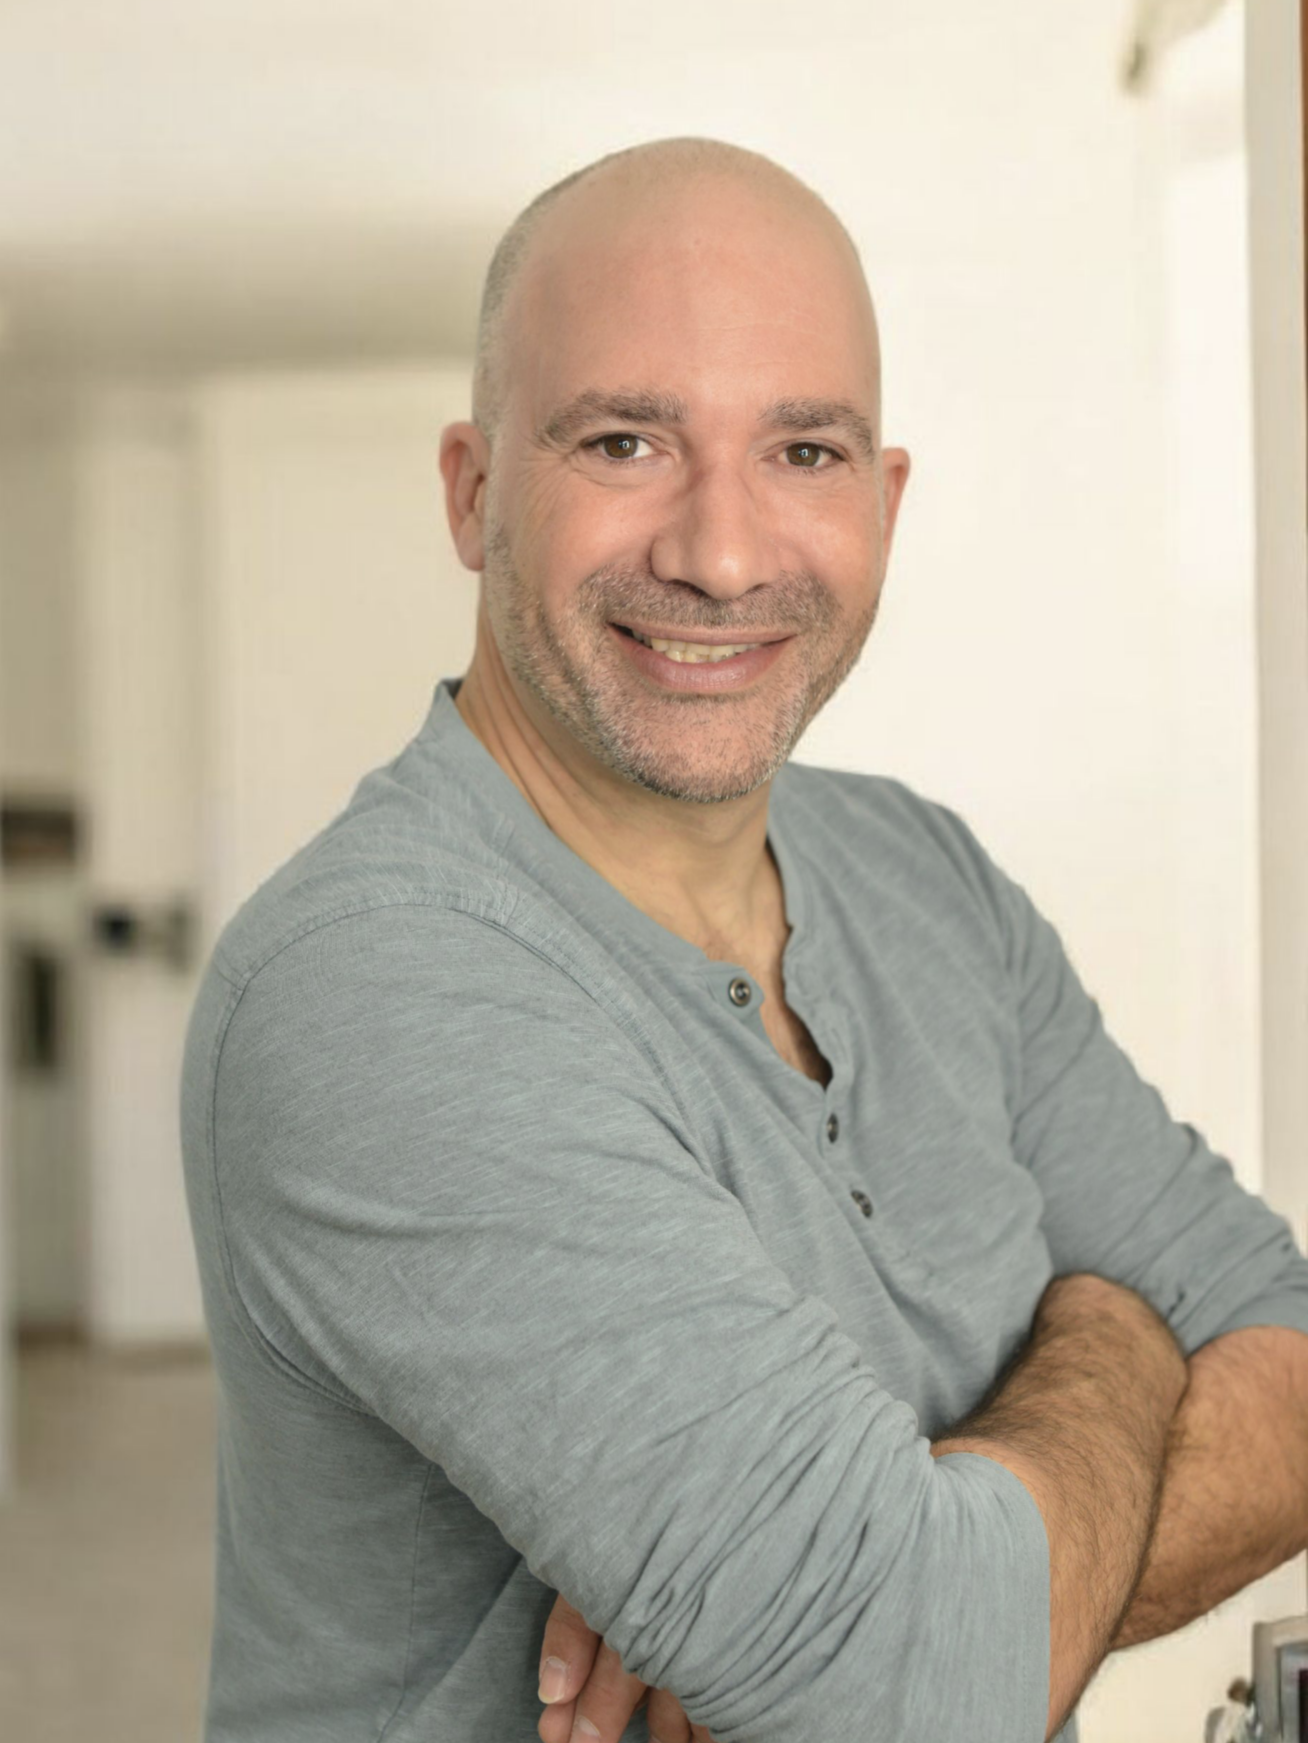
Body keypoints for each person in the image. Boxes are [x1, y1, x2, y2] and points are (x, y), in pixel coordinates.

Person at [179, 135, 1308, 1743]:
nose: (720, 553)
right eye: (626, 440)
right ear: (474, 491)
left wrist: (931, 1580)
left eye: (803, 451)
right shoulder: (371, 987)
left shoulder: (923, 872)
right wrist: (1122, 1336)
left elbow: (1287, 1346)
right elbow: (910, 1695)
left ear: (884, 502)